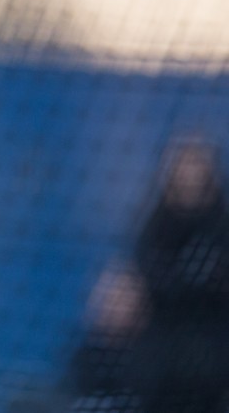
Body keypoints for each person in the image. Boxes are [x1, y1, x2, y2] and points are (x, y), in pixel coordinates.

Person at [64, 133, 229, 413]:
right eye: (184, 164)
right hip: (162, 352)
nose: (191, 173)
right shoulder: (154, 227)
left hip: (216, 346)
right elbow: (151, 276)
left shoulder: (221, 223)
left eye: (197, 164)